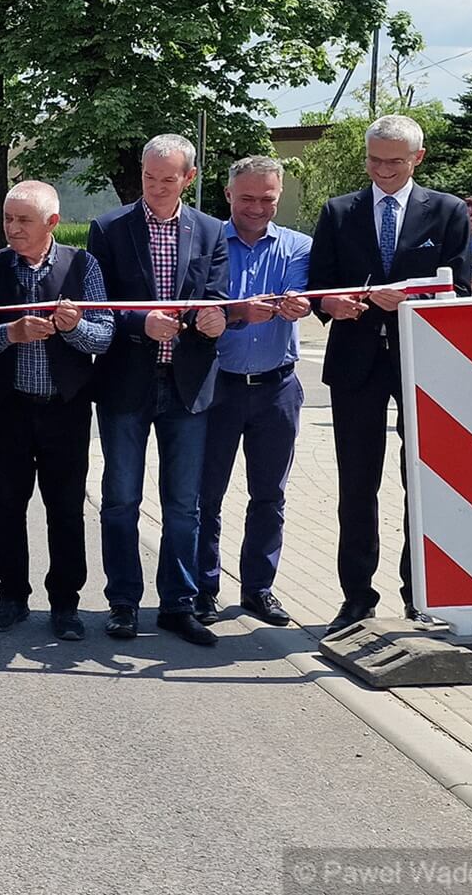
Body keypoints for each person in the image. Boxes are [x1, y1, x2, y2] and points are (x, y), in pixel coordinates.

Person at [308, 113, 472, 633]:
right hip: (355, 363)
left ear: (417, 159)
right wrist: (335, 304)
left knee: (421, 482)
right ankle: (356, 597)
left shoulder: (446, 212)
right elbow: (319, 288)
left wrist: (411, 300)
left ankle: (418, 593)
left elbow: (462, 293)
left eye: (394, 162)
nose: (382, 170)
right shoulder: (338, 212)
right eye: (374, 160)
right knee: (357, 484)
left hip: (423, 363)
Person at [86, 134, 230, 646]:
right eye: (149, 178)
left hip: (188, 385)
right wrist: (137, 323)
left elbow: (217, 297)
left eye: (168, 180)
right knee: (121, 498)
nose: (157, 188)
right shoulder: (108, 229)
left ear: (189, 178)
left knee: (184, 504)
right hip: (126, 381)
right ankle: (123, 602)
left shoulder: (212, 231)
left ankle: (178, 604)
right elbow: (95, 304)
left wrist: (216, 319)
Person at [0, 180, 112, 641]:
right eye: (8, 218)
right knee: (7, 504)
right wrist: (9, 334)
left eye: (23, 220)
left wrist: (74, 327)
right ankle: (10, 596)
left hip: (65, 409)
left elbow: (104, 335)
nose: (12, 228)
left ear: (52, 222)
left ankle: (65, 604)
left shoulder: (83, 265)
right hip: (8, 407)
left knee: (66, 509)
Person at [196, 157, 312, 629]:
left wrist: (288, 307)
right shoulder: (206, 242)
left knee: (270, 496)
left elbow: (297, 298)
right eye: (247, 198)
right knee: (206, 495)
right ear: (228, 195)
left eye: (268, 199)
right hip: (216, 386)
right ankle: (201, 589)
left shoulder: (298, 246)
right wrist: (242, 312)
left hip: (277, 388)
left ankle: (258, 589)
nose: (258, 208)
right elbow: (204, 305)